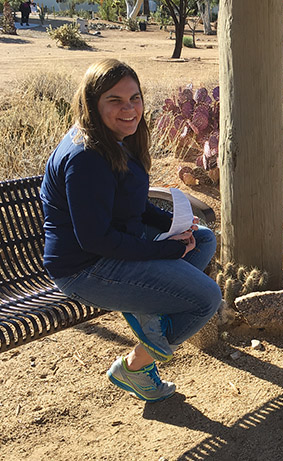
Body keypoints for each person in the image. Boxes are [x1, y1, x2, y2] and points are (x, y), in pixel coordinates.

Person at [40, 59, 222, 403]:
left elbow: (131, 206)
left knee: (202, 240)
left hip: (112, 250)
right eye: (115, 100)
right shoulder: (87, 158)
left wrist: (172, 225)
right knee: (206, 300)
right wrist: (165, 250)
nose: (129, 109)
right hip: (87, 269)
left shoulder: (114, 139)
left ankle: (149, 311)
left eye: (134, 98)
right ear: (92, 103)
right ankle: (136, 365)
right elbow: (95, 240)